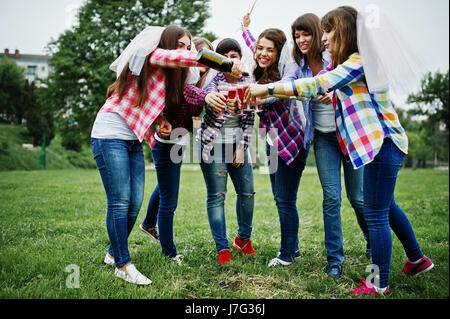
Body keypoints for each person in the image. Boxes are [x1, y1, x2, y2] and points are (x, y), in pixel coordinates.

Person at [244, 6, 434, 295]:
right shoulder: (348, 63)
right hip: (377, 146)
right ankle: (417, 260)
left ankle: (378, 283)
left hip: (383, 143)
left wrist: (267, 90)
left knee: (376, 213)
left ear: (344, 32)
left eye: (329, 31)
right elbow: (326, 83)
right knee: (386, 207)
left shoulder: (359, 61)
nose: (324, 37)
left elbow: (317, 83)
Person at [91, 24, 243, 285]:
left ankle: (113, 251)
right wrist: (226, 64)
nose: (185, 50)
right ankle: (123, 264)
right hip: (109, 133)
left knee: (135, 203)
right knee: (119, 202)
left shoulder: (170, 77)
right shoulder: (157, 56)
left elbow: (159, 99)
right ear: (168, 45)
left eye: (188, 45)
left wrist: (160, 119)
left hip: (132, 139)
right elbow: (183, 58)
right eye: (180, 45)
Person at [138, 30, 243, 266]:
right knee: (170, 200)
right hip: (166, 142)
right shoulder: (183, 80)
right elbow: (190, 94)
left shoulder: (204, 82)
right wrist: (206, 98)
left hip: (179, 140)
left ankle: (147, 223)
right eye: (199, 59)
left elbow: (198, 112)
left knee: (165, 186)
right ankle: (169, 253)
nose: (203, 66)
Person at [287, 12, 370, 279]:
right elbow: (294, 84)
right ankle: (334, 260)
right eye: (297, 36)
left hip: (349, 135)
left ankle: (373, 239)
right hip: (323, 139)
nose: (302, 40)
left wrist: (335, 92)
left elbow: (344, 81)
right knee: (331, 198)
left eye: (306, 34)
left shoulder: (334, 56)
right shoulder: (298, 67)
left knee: (357, 198)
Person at [241, 15, 309, 268]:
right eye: (260, 48)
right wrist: (246, 30)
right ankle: (293, 248)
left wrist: (258, 98)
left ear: (279, 52)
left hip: (293, 140)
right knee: (281, 197)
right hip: (272, 141)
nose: (263, 53)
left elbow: (284, 88)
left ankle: (287, 254)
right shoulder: (261, 67)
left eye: (270, 50)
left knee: (285, 198)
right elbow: (252, 45)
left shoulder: (285, 72)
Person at [197, 38, 256, 265]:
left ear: (240, 58)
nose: (232, 60)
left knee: (248, 192)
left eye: (235, 55)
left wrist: (241, 148)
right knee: (217, 196)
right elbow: (213, 98)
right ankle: (222, 248)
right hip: (213, 146)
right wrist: (225, 101)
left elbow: (250, 119)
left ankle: (243, 239)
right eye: (226, 57)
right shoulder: (214, 83)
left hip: (237, 145)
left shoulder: (249, 82)